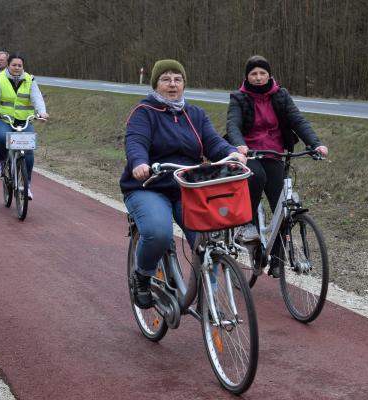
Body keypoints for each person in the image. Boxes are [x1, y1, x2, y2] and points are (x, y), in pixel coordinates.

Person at [120, 59, 246, 309]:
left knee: (207, 238)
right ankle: (142, 276)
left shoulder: (195, 114)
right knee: (158, 232)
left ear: (184, 84)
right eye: (166, 79)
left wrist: (232, 154)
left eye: (177, 79)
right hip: (149, 186)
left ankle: (207, 297)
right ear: (156, 84)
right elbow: (136, 141)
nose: (172, 84)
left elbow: (213, 143)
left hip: (188, 188)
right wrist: (139, 163)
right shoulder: (144, 112)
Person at [225, 55, 329, 277]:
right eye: (254, 73)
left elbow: (297, 120)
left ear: (269, 75)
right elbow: (232, 124)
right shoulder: (239, 98)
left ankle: (277, 259)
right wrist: (239, 144)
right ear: (247, 77)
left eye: (262, 73)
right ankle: (247, 224)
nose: (259, 77)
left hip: (274, 153)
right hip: (249, 153)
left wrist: (316, 144)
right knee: (256, 176)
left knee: (282, 206)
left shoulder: (281, 96)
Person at [0, 54, 49, 200]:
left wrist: (42, 112)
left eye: (20, 65)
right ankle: (0, 162)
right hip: (3, 118)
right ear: (8, 65)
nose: (17, 68)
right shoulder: (0, 78)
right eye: (14, 65)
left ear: (23, 67)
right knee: (2, 137)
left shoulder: (30, 79)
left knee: (28, 152)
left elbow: (37, 97)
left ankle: (26, 186)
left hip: (24, 120)